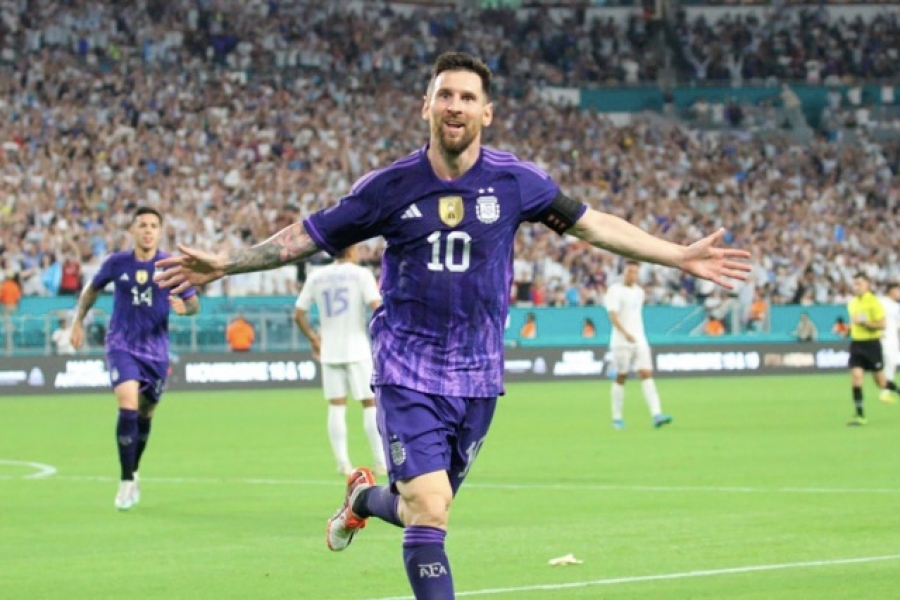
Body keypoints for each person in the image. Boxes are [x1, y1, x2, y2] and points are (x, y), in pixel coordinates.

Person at [155, 52, 750, 600]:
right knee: (431, 507)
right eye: (445, 95)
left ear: (486, 112)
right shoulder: (389, 187)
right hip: (407, 368)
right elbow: (306, 237)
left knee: (421, 509)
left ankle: (362, 497)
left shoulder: (515, 181)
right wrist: (226, 265)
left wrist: (677, 255)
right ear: (427, 107)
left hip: (479, 375)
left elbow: (593, 224)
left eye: (467, 97)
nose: (455, 106)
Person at [71, 207, 201, 510]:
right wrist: (78, 321)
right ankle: (126, 479)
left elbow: (194, 304)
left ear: (160, 231)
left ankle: (134, 468)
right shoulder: (116, 263)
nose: (148, 230)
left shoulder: (170, 265)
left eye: (153, 225)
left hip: (155, 351)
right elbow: (91, 290)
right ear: (132, 230)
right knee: (127, 404)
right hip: (122, 344)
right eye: (142, 225)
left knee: (146, 414)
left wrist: (185, 310)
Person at [293, 244, 387, 477]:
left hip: (330, 349)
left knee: (336, 406)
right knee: (370, 404)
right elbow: (377, 307)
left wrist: (314, 339)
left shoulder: (317, 276)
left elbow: (298, 314)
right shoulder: (361, 274)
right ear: (351, 251)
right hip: (357, 348)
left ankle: (343, 463)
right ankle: (380, 461)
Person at [605, 260, 672, 430]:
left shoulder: (639, 292)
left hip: (639, 339)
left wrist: (637, 335)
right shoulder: (614, 291)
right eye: (629, 271)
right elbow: (613, 316)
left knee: (646, 373)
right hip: (621, 341)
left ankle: (657, 414)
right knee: (621, 376)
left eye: (635, 272)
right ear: (623, 272)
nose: (632, 275)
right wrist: (625, 333)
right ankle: (617, 418)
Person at [845, 273, 899, 426]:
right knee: (856, 378)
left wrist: (864, 323)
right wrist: (847, 330)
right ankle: (860, 415)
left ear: (867, 285)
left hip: (871, 345)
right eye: (855, 284)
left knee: (881, 383)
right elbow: (855, 324)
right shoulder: (852, 303)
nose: (856, 287)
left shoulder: (874, 302)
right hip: (857, 344)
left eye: (859, 283)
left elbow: (882, 324)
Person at [877, 283, 900, 403]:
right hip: (883, 338)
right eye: (897, 290)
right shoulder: (881, 302)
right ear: (890, 291)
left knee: (891, 365)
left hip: (893, 339)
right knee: (885, 363)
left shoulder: (896, 306)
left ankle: (885, 392)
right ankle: (886, 390)